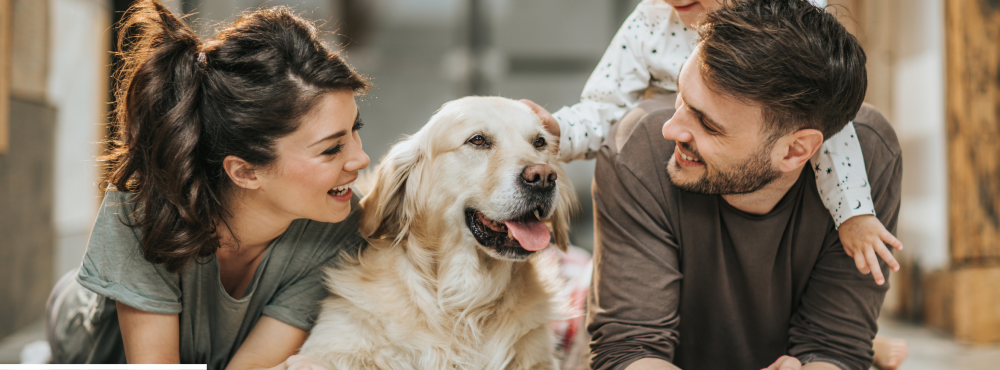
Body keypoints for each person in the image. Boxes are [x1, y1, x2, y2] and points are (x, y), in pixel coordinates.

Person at [45, 1, 369, 368]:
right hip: (87, 341)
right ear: (246, 172)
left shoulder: (341, 225)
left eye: (355, 130)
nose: (361, 159)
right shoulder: (142, 208)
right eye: (331, 148)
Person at [584, 0, 901, 369]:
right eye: (680, 98)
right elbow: (629, 350)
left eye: (707, 124)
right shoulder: (640, 148)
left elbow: (835, 349)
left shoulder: (869, 154)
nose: (671, 129)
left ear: (795, 150)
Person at [521, 0, 902, 286]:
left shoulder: (788, 19)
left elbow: (826, 122)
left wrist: (853, 212)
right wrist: (561, 131)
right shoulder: (651, 21)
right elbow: (605, 105)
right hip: (684, 181)